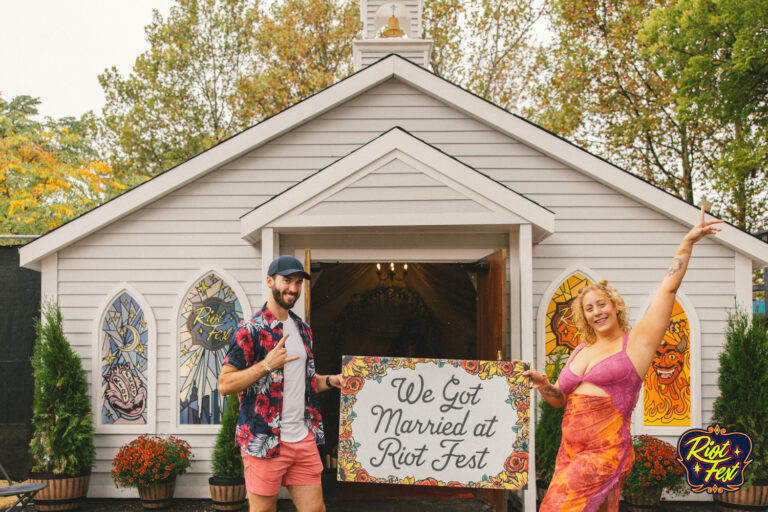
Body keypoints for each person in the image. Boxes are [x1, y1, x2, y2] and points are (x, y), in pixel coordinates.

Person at [523, 205, 723, 512]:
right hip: (571, 451)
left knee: (555, 508)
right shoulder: (581, 350)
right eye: (589, 309)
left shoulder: (636, 344)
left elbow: (668, 289)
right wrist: (542, 385)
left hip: (606, 448)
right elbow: (561, 400)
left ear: (615, 306)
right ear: (584, 317)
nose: (596, 312)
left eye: (601, 304)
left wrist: (687, 243)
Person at [219, 255, 343, 512]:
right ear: (270, 281)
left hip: (303, 439)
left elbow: (306, 383)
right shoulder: (250, 330)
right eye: (287, 280)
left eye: (298, 282)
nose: (293, 288)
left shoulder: (302, 329)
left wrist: (332, 380)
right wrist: (266, 365)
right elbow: (225, 384)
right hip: (264, 441)